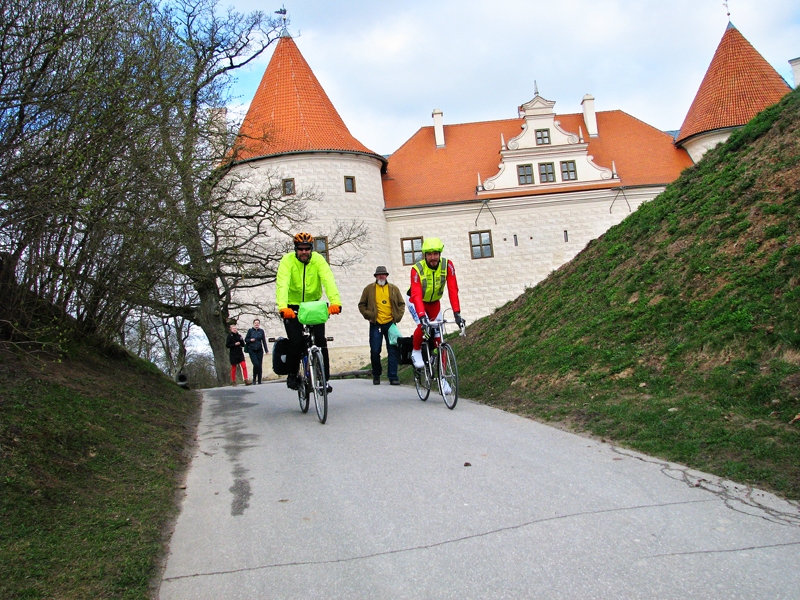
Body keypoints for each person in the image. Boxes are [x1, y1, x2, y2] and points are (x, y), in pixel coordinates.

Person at [276, 232, 342, 392]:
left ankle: (324, 380)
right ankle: (292, 374)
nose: (304, 252)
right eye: (301, 249)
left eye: (307, 249)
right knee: (296, 341)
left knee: (320, 340)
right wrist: (283, 306)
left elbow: (328, 279)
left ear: (311, 249)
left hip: (313, 305)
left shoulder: (319, 260)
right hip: (292, 306)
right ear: (296, 249)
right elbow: (282, 283)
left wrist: (335, 302)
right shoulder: (287, 261)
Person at [409, 237, 464, 392]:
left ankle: (442, 378)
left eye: (436, 254)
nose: (433, 257)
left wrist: (457, 313)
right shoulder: (417, 269)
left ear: (440, 254)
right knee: (423, 325)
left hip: (435, 303)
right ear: (425, 255)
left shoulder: (448, 265)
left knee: (440, 340)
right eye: (429, 254)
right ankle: (416, 350)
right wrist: (421, 315)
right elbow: (416, 294)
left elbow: (453, 289)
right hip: (415, 300)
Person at [358, 265, 405, 385]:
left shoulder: (393, 288)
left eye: (383, 274)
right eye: (379, 274)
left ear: (387, 276)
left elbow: (401, 304)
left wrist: (397, 317)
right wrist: (368, 315)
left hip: (390, 324)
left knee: (393, 350)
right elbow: (361, 305)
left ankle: (393, 376)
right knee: (375, 350)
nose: (381, 276)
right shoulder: (369, 289)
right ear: (375, 276)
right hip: (375, 324)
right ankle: (376, 375)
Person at [245, 319, 269, 384]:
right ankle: (254, 379)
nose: (257, 324)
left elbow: (263, 341)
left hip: (259, 350)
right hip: (252, 350)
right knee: (256, 364)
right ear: (253, 324)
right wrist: (250, 340)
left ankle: (259, 380)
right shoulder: (250, 331)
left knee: (260, 365)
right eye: (255, 323)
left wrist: (266, 350)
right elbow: (246, 339)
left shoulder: (261, 331)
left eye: (258, 323)